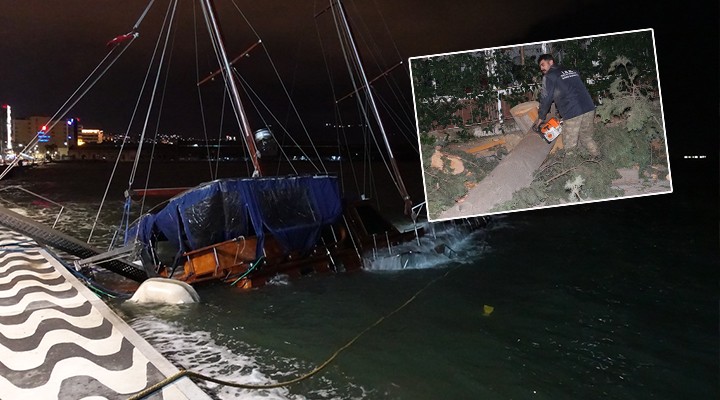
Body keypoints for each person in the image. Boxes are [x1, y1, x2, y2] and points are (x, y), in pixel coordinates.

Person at [534, 54, 599, 156]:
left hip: (572, 111)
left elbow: (546, 98)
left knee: (570, 146)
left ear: (551, 62)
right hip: (589, 107)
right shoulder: (571, 71)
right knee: (587, 138)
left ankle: (571, 165)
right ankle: (598, 158)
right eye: (540, 67)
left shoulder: (549, 76)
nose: (541, 68)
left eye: (543, 65)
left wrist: (541, 118)